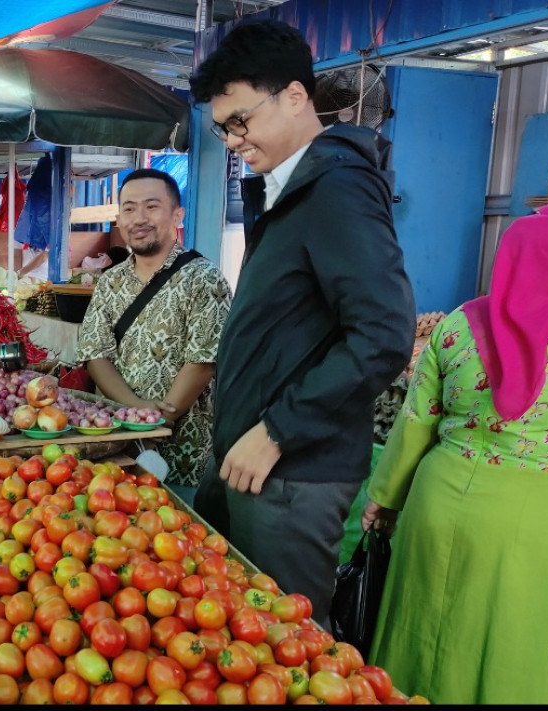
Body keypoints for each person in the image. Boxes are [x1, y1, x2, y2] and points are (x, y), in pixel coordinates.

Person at [189, 18, 415, 630]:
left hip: (292, 475)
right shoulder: (287, 190)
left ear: (294, 96)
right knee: (235, 635)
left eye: (241, 121)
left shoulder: (337, 187)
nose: (232, 140)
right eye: (222, 128)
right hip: (254, 459)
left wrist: (277, 430)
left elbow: (384, 335)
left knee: (284, 649)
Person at [362, 203, 548, 704]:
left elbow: (415, 422)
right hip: (535, 512)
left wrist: (384, 497)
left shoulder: (456, 325)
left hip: (436, 499)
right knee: (512, 638)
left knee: (419, 621)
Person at [75, 169, 231, 500]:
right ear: (119, 219)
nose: (139, 218)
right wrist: (137, 412)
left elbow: (204, 361)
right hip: (116, 444)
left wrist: (160, 417)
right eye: (129, 208)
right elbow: (94, 353)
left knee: (175, 539)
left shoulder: (204, 279)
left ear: (177, 214)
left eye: (152, 206)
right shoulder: (109, 282)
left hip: (182, 453)